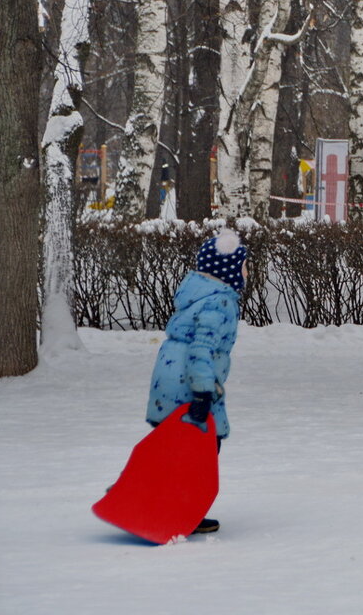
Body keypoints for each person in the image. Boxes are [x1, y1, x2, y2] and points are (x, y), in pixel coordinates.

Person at [146, 227, 248, 534]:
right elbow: (201, 350)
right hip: (190, 385)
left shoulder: (197, 294)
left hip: (168, 378)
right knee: (201, 450)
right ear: (228, 270)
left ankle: (148, 488)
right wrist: (203, 393)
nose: (247, 272)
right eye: (244, 266)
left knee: (174, 444)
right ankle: (179, 508)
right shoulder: (220, 303)